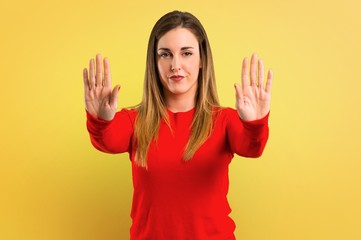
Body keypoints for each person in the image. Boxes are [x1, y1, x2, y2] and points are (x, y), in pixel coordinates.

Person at [83, 10, 272, 240]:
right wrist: (100, 121)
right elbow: (107, 141)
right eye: (165, 54)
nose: (175, 64)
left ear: (202, 59)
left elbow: (252, 148)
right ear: (154, 61)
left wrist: (254, 123)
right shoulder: (136, 121)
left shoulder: (224, 121)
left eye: (186, 53)